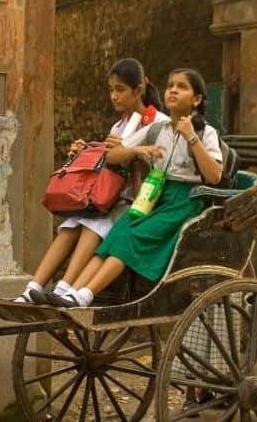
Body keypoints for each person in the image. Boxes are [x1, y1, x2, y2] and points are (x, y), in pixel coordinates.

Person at [51, 68, 222, 307]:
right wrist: (137, 150)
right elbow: (113, 156)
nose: (173, 89)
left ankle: (85, 295)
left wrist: (191, 137)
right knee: (118, 233)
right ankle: (71, 291)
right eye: (170, 85)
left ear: (196, 99)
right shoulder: (156, 129)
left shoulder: (206, 132)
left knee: (131, 238)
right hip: (154, 195)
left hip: (185, 200)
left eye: (182, 87)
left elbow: (214, 176)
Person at [15, 58, 168, 303]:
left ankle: (65, 288)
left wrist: (128, 153)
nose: (114, 96)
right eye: (111, 90)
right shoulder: (119, 125)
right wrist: (86, 151)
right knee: (71, 223)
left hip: (139, 200)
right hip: (111, 196)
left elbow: (160, 166)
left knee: (92, 225)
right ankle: (32, 287)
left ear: (138, 90)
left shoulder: (158, 123)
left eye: (120, 90)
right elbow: (108, 161)